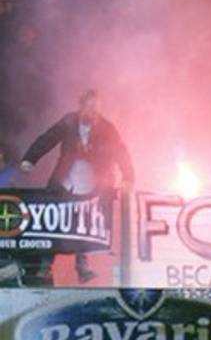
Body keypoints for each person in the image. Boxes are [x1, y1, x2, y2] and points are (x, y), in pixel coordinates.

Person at [21, 89, 134, 283]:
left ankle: (82, 267)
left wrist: (128, 176)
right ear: (81, 107)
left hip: (93, 181)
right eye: (90, 108)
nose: (94, 112)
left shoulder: (107, 128)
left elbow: (120, 151)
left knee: (85, 224)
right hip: (66, 180)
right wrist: (30, 159)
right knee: (55, 223)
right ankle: (45, 267)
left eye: (97, 109)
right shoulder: (69, 122)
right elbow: (48, 138)